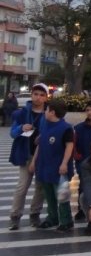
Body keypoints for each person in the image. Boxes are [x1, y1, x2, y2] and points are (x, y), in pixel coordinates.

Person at [28, 98, 75, 232]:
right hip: (44, 166)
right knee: (49, 195)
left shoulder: (66, 128)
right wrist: (33, 162)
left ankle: (66, 220)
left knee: (61, 195)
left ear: (52, 112)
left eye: (47, 110)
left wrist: (65, 163)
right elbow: (40, 145)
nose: (45, 112)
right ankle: (52, 217)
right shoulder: (45, 125)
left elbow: (69, 146)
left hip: (59, 168)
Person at [7, 83, 48, 230]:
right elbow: (12, 133)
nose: (38, 97)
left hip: (43, 156)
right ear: (32, 95)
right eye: (36, 94)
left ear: (46, 97)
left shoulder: (49, 113)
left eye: (42, 95)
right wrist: (20, 128)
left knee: (40, 186)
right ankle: (15, 216)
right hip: (26, 154)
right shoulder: (22, 113)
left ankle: (35, 214)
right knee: (22, 186)